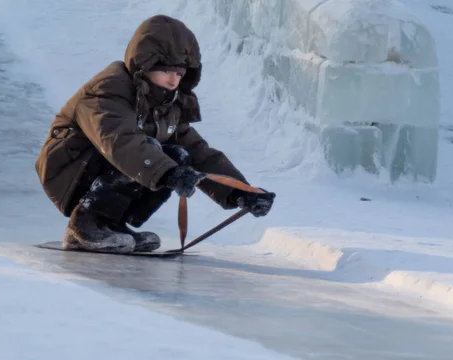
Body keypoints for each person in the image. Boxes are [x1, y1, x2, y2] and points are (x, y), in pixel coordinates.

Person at [35, 14, 275, 253]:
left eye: (180, 74)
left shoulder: (164, 103)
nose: (173, 80)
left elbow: (199, 153)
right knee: (152, 153)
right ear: (145, 64)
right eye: (167, 71)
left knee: (179, 155)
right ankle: (87, 225)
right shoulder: (109, 89)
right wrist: (169, 173)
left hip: (109, 162)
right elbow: (121, 142)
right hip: (70, 166)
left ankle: (112, 225)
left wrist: (242, 192)